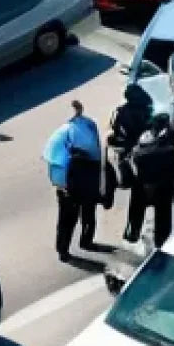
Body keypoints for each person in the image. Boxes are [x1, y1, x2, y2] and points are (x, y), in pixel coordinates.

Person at [43, 100, 102, 261]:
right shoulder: (88, 130)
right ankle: (85, 242)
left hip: (68, 191)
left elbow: (55, 170)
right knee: (86, 216)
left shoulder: (62, 142)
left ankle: (63, 250)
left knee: (66, 221)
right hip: (84, 188)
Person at [125, 112, 174, 249]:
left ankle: (132, 234)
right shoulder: (168, 141)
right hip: (162, 184)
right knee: (163, 216)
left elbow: (134, 156)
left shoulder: (144, 138)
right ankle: (160, 243)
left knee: (136, 211)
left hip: (142, 183)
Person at [107, 83, 153, 189]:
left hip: (129, 141)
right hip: (138, 140)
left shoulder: (120, 110)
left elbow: (113, 125)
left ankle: (125, 178)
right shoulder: (145, 108)